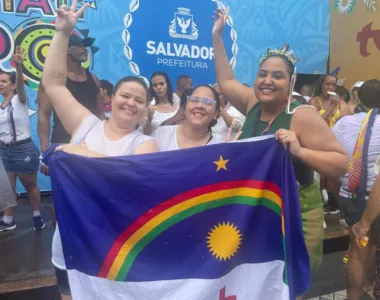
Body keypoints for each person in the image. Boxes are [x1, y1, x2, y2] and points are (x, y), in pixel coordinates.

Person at [212, 7, 348, 281]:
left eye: (277, 76)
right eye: (262, 74)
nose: (267, 81)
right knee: (258, 281)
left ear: (290, 82)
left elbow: (341, 163)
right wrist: (217, 36)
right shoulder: (252, 103)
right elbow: (226, 80)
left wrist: (300, 150)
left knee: (288, 284)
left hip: (296, 214)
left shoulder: (301, 115)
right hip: (257, 210)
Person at [41, 2, 158, 299]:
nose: (130, 103)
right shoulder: (86, 126)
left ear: (145, 109)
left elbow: (126, 176)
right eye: (125, 95)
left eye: (139, 100)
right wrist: (62, 33)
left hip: (114, 251)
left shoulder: (145, 144)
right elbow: (54, 85)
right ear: (111, 98)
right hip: (69, 243)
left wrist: (72, 151)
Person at [334, 79, 380, 300]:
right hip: (376, 200)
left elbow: (333, 158)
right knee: (369, 244)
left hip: (350, 196)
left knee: (359, 248)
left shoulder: (343, 124)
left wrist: (337, 191)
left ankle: (358, 292)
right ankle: (369, 286)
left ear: (358, 98)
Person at [0, 46, 45, 232]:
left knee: (30, 185)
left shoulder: (20, 100)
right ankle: (8, 220)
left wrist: (19, 67)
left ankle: (37, 215)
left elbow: (20, 85)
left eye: (3, 81)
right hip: (5, 151)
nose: (0, 84)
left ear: (12, 85)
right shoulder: (1, 106)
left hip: (23, 150)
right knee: (7, 188)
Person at [38, 33, 104, 155]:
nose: (85, 49)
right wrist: (44, 146)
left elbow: (99, 112)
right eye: (79, 45)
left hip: (91, 144)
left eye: (85, 46)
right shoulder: (53, 80)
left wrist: (104, 140)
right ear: (67, 50)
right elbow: (44, 113)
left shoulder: (93, 79)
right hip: (62, 144)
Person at [154, 85, 221, 151]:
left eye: (208, 102)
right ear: (185, 107)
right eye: (194, 100)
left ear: (216, 113)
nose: (199, 105)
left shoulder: (218, 149)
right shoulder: (161, 134)